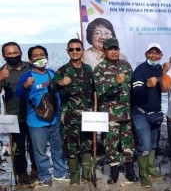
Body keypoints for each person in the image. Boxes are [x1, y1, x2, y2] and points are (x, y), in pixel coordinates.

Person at [15, 45, 69, 186]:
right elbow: (18, 94)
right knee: (40, 152)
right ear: (30, 59)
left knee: (58, 149)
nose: (39, 58)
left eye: (42, 55)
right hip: (36, 122)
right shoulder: (28, 76)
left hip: (55, 119)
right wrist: (25, 86)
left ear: (47, 57)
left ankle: (60, 172)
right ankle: (44, 176)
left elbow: (61, 93)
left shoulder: (52, 73)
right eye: (36, 56)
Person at [49, 39, 95, 185]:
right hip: (69, 116)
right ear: (67, 51)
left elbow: (94, 91)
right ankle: (75, 177)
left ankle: (87, 175)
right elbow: (51, 88)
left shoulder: (88, 69)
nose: (74, 52)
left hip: (87, 115)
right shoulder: (62, 70)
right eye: (71, 49)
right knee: (71, 147)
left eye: (77, 49)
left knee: (87, 145)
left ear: (82, 51)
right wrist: (60, 83)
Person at [94, 38, 138, 184]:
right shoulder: (100, 68)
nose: (114, 51)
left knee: (128, 143)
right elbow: (100, 91)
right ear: (104, 51)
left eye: (116, 49)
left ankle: (130, 171)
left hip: (126, 112)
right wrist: (115, 82)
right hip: (110, 114)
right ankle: (113, 173)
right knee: (111, 144)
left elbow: (133, 88)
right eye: (110, 49)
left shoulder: (126, 65)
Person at [0, 42, 37, 184]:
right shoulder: (2, 71)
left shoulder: (30, 67)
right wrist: (1, 79)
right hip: (14, 115)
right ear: (4, 56)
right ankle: (21, 172)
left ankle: (36, 168)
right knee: (18, 147)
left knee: (35, 143)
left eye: (15, 52)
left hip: (34, 113)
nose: (13, 55)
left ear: (20, 52)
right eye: (9, 53)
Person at [131, 43, 165, 187]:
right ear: (146, 54)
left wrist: (164, 74)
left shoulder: (160, 69)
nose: (154, 55)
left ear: (161, 56)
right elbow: (136, 92)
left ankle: (151, 169)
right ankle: (143, 175)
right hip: (140, 113)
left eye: (157, 53)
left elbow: (163, 89)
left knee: (153, 144)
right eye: (151, 52)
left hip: (155, 114)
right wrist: (146, 85)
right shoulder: (140, 70)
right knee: (144, 144)